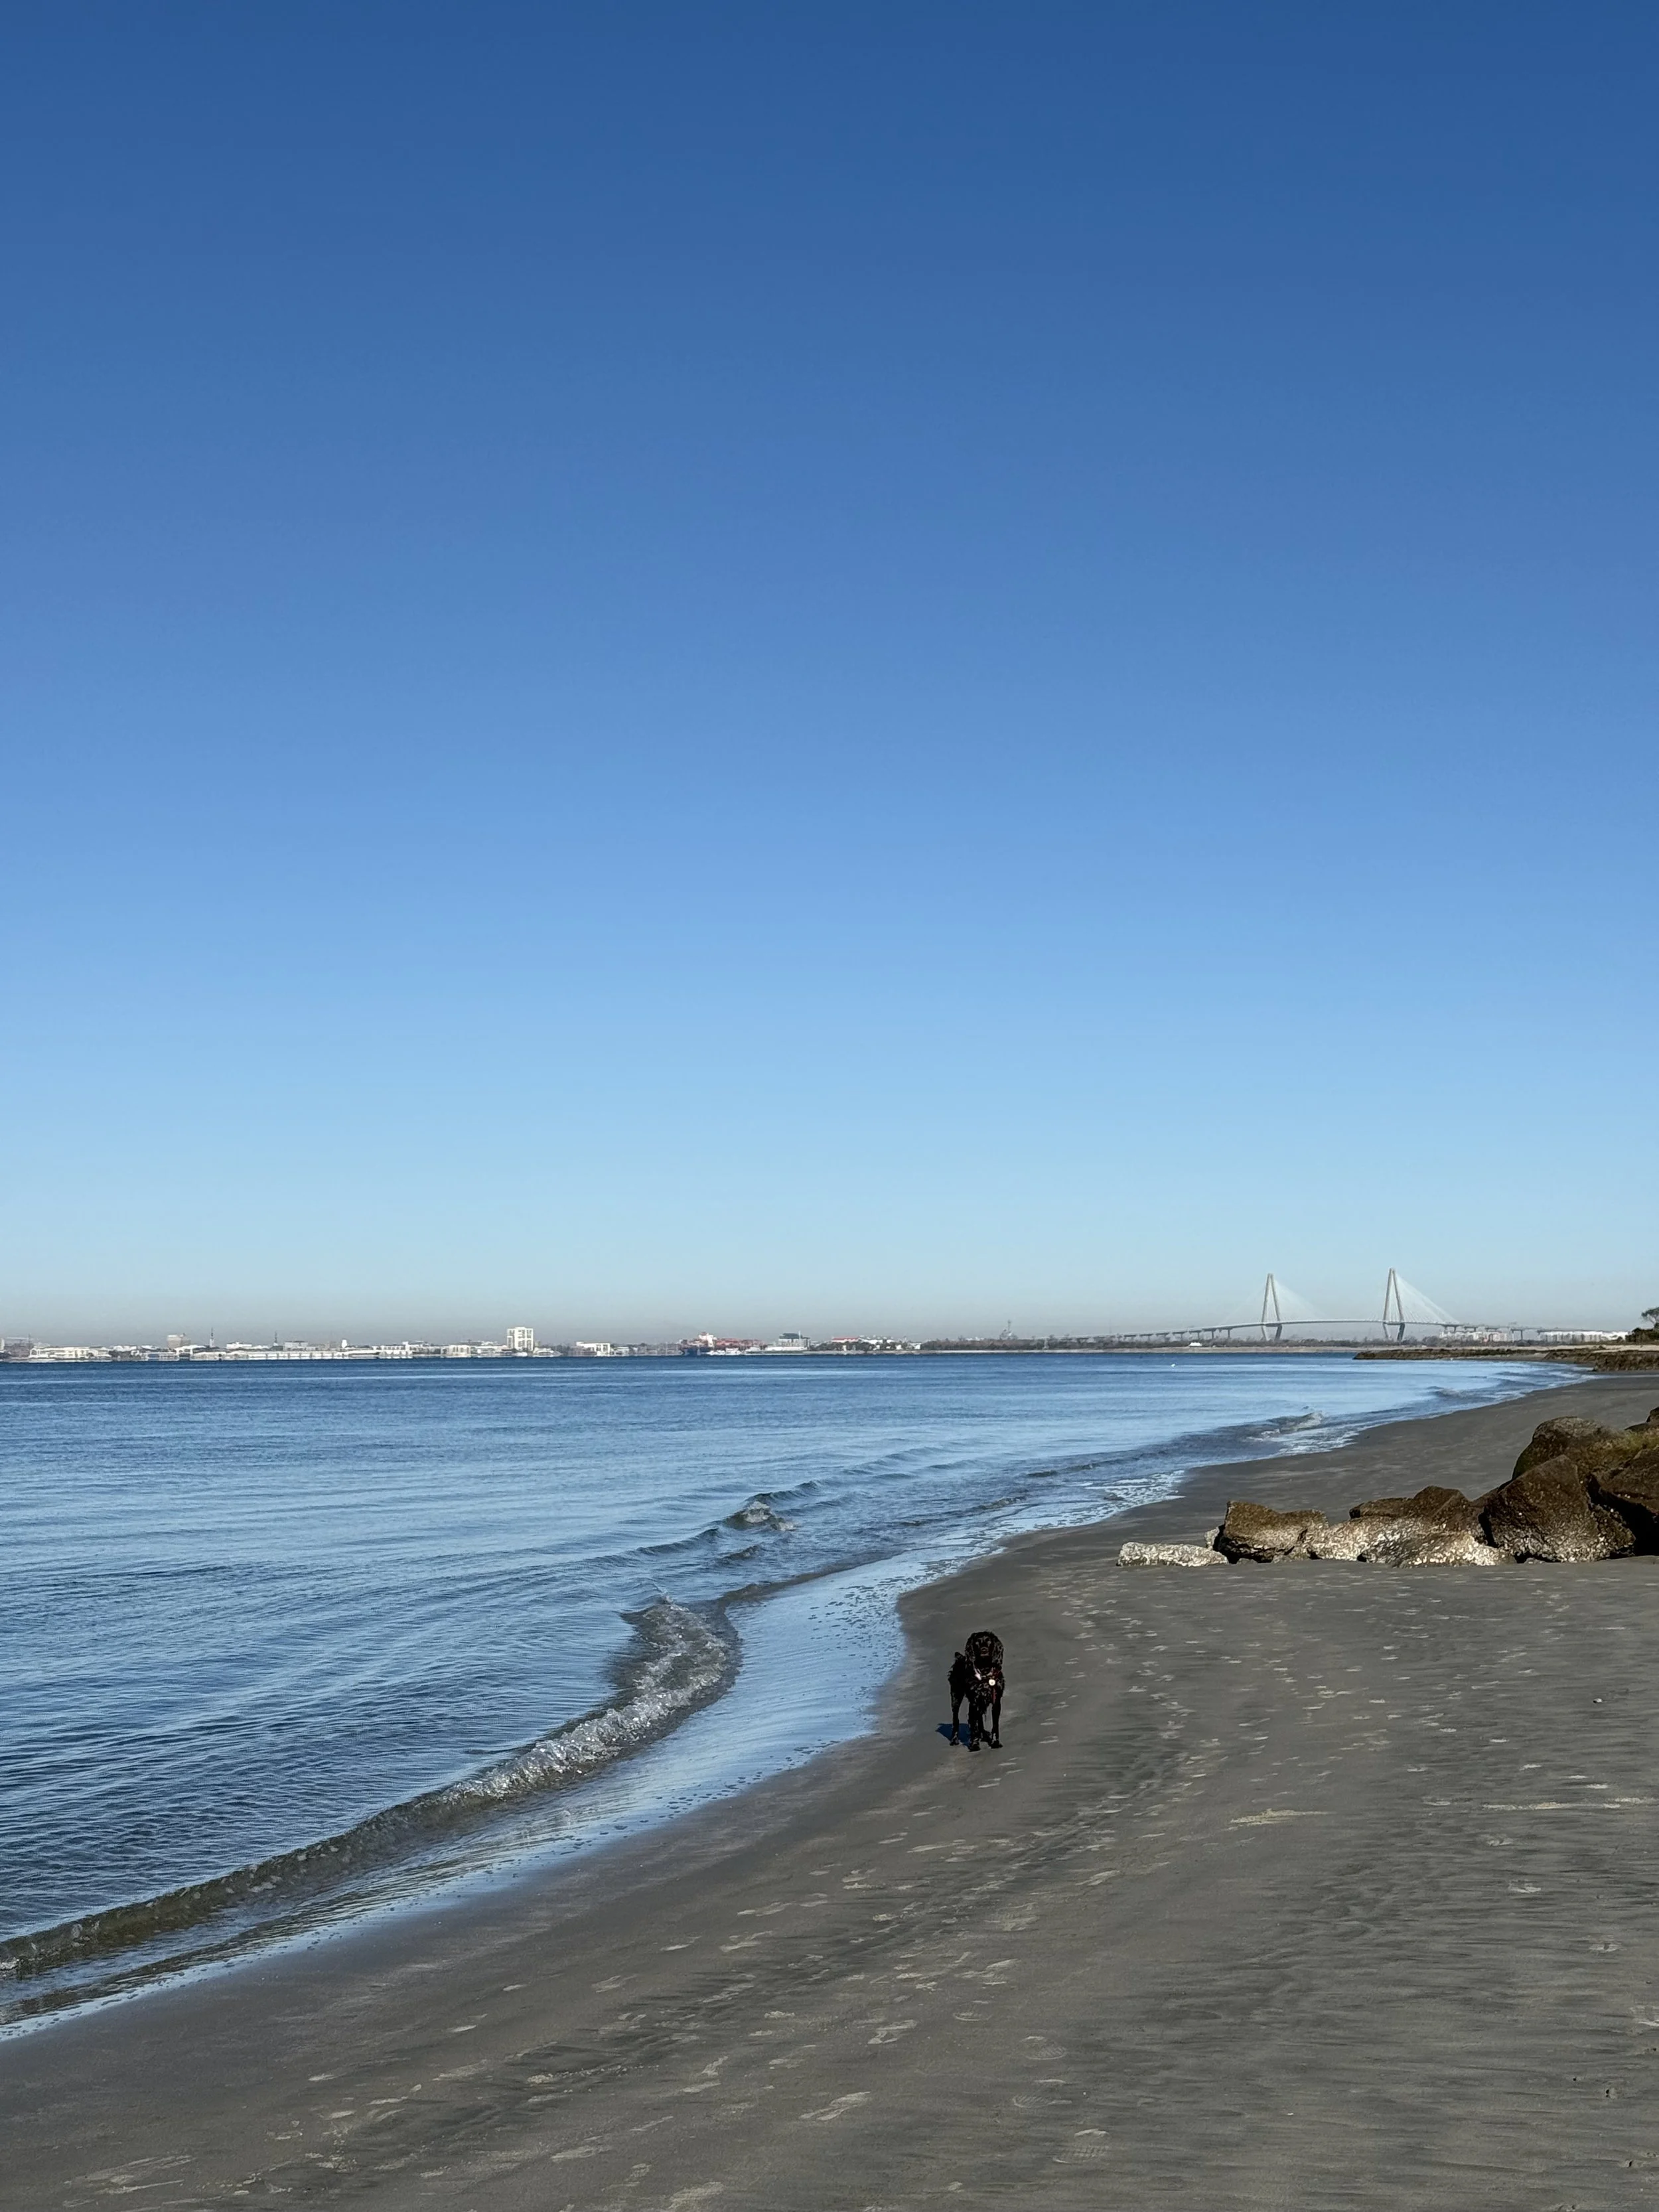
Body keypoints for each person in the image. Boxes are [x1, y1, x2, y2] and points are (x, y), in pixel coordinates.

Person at [948, 1629, 1004, 1749]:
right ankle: (964, 1734)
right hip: (963, 1676)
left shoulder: (997, 1676)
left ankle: (994, 1737)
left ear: (994, 1647)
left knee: (994, 1704)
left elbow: (996, 1706)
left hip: (990, 1677)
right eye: (978, 1643)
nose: (983, 1647)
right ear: (973, 1648)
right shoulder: (968, 1672)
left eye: (988, 1643)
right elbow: (973, 1707)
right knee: (962, 1705)